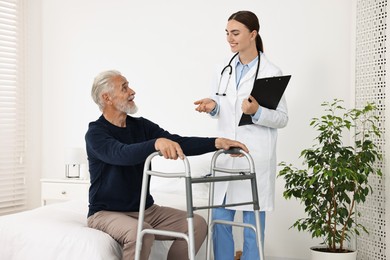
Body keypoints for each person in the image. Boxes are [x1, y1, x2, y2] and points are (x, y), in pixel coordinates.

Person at [85, 70, 249, 260]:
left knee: (197, 224)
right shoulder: (96, 133)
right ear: (107, 98)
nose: (132, 91)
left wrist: (216, 142)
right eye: (124, 88)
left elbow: (177, 141)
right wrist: (155, 143)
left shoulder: (141, 126)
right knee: (141, 232)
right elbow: (120, 154)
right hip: (106, 213)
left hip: (146, 210)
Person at [194, 10, 288, 260]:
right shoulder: (222, 70)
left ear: (253, 34)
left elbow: (282, 118)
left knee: (252, 228)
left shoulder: (271, 71)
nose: (229, 38)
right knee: (219, 222)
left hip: (254, 159)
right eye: (227, 33)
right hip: (226, 157)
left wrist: (257, 111)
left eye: (235, 33)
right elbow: (223, 107)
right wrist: (212, 106)